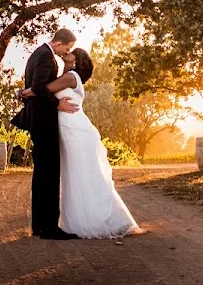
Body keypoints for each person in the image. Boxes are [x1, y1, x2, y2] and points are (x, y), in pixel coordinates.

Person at [20, 47, 141, 239]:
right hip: (69, 129)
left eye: (71, 51)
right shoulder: (67, 75)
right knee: (75, 176)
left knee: (84, 175)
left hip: (77, 130)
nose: (67, 52)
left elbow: (43, 89)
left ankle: (101, 220)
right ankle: (80, 220)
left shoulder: (71, 77)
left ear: (76, 59)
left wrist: (24, 92)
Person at [21, 28, 80, 240]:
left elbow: (37, 86)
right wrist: (57, 104)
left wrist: (66, 64)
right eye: (67, 47)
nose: (67, 51)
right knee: (50, 173)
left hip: (37, 119)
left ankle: (39, 225)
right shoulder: (46, 56)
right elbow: (38, 86)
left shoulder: (39, 53)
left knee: (41, 174)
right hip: (44, 120)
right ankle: (50, 228)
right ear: (59, 43)